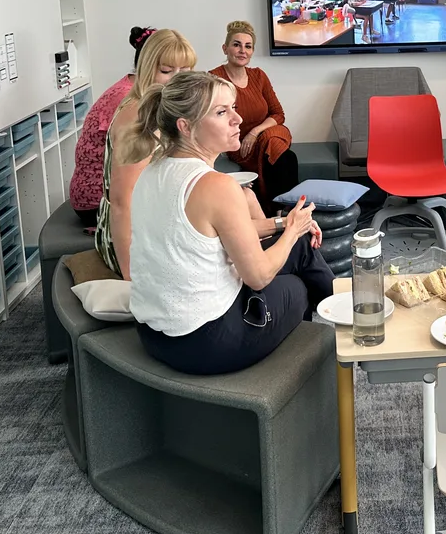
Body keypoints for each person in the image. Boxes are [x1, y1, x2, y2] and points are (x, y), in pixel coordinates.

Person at [126, 71, 332, 376]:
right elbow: (258, 277)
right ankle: (306, 368)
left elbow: (209, 234)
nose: (237, 119)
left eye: (233, 108)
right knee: (297, 287)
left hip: (154, 335)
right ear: (186, 127)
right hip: (205, 342)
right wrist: (293, 230)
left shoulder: (152, 171)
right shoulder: (215, 186)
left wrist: (283, 224)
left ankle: (350, 311)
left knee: (299, 244)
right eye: (222, 112)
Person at [94, 28, 196, 279]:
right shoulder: (138, 117)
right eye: (166, 71)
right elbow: (122, 203)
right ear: (147, 69)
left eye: (185, 71)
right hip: (134, 235)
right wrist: (130, 273)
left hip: (158, 218)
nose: (176, 79)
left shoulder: (164, 107)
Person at [68, 26, 154, 227]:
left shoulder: (137, 88)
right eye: (167, 70)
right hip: (97, 201)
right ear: (147, 65)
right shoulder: (128, 99)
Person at [210, 20, 300, 208]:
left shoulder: (259, 76)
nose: (243, 50)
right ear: (225, 48)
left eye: (248, 46)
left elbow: (278, 114)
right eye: (236, 45)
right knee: (284, 157)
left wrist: (255, 132)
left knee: (275, 145)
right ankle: (282, 213)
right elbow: (211, 119)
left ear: (251, 52)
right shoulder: (214, 79)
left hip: (265, 137)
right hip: (239, 145)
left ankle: (281, 213)